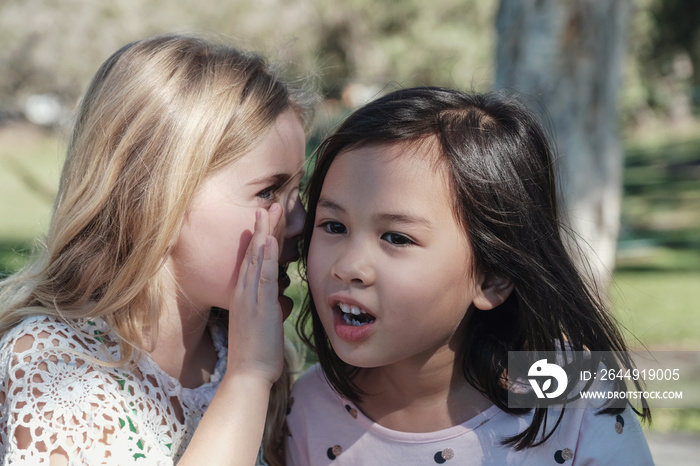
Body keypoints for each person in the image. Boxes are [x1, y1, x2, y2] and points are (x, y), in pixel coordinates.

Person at [286, 87, 654, 465]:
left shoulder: (572, 391)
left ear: (492, 278)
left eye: (396, 237)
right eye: (333, 225)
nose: (348, 266)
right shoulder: (306, 409)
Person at [0, 33, 312, 466]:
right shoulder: (52, 364)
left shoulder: (242, 348)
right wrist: (247, 380)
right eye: (269, 191)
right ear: (154, 199)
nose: (297, 221)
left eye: (299, 190)